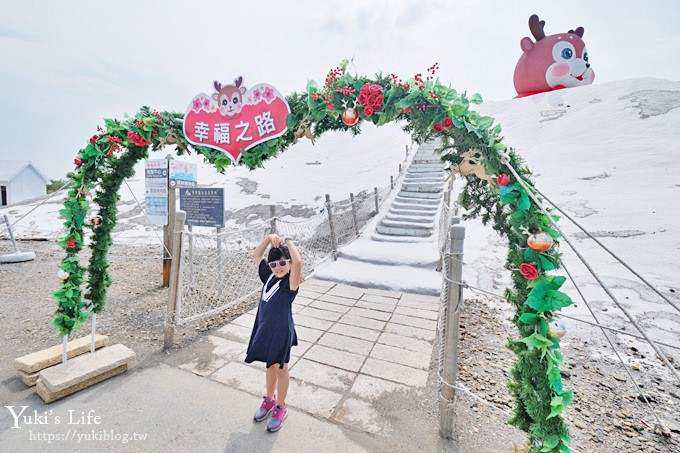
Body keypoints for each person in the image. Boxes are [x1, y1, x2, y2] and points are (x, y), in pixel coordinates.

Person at [246, 233, 302, 432]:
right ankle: (269, 400)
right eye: (274, 264)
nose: (278, 267)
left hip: (281, 332)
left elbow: (298, 262)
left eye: (281, 263)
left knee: (281, 368)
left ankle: (281, 406)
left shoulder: (290, 284)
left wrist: (287, 241)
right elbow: (257, 254)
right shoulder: (268, 276)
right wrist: (269, 239)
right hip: (265, 329)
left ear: (287, 263)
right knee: (269, 366)